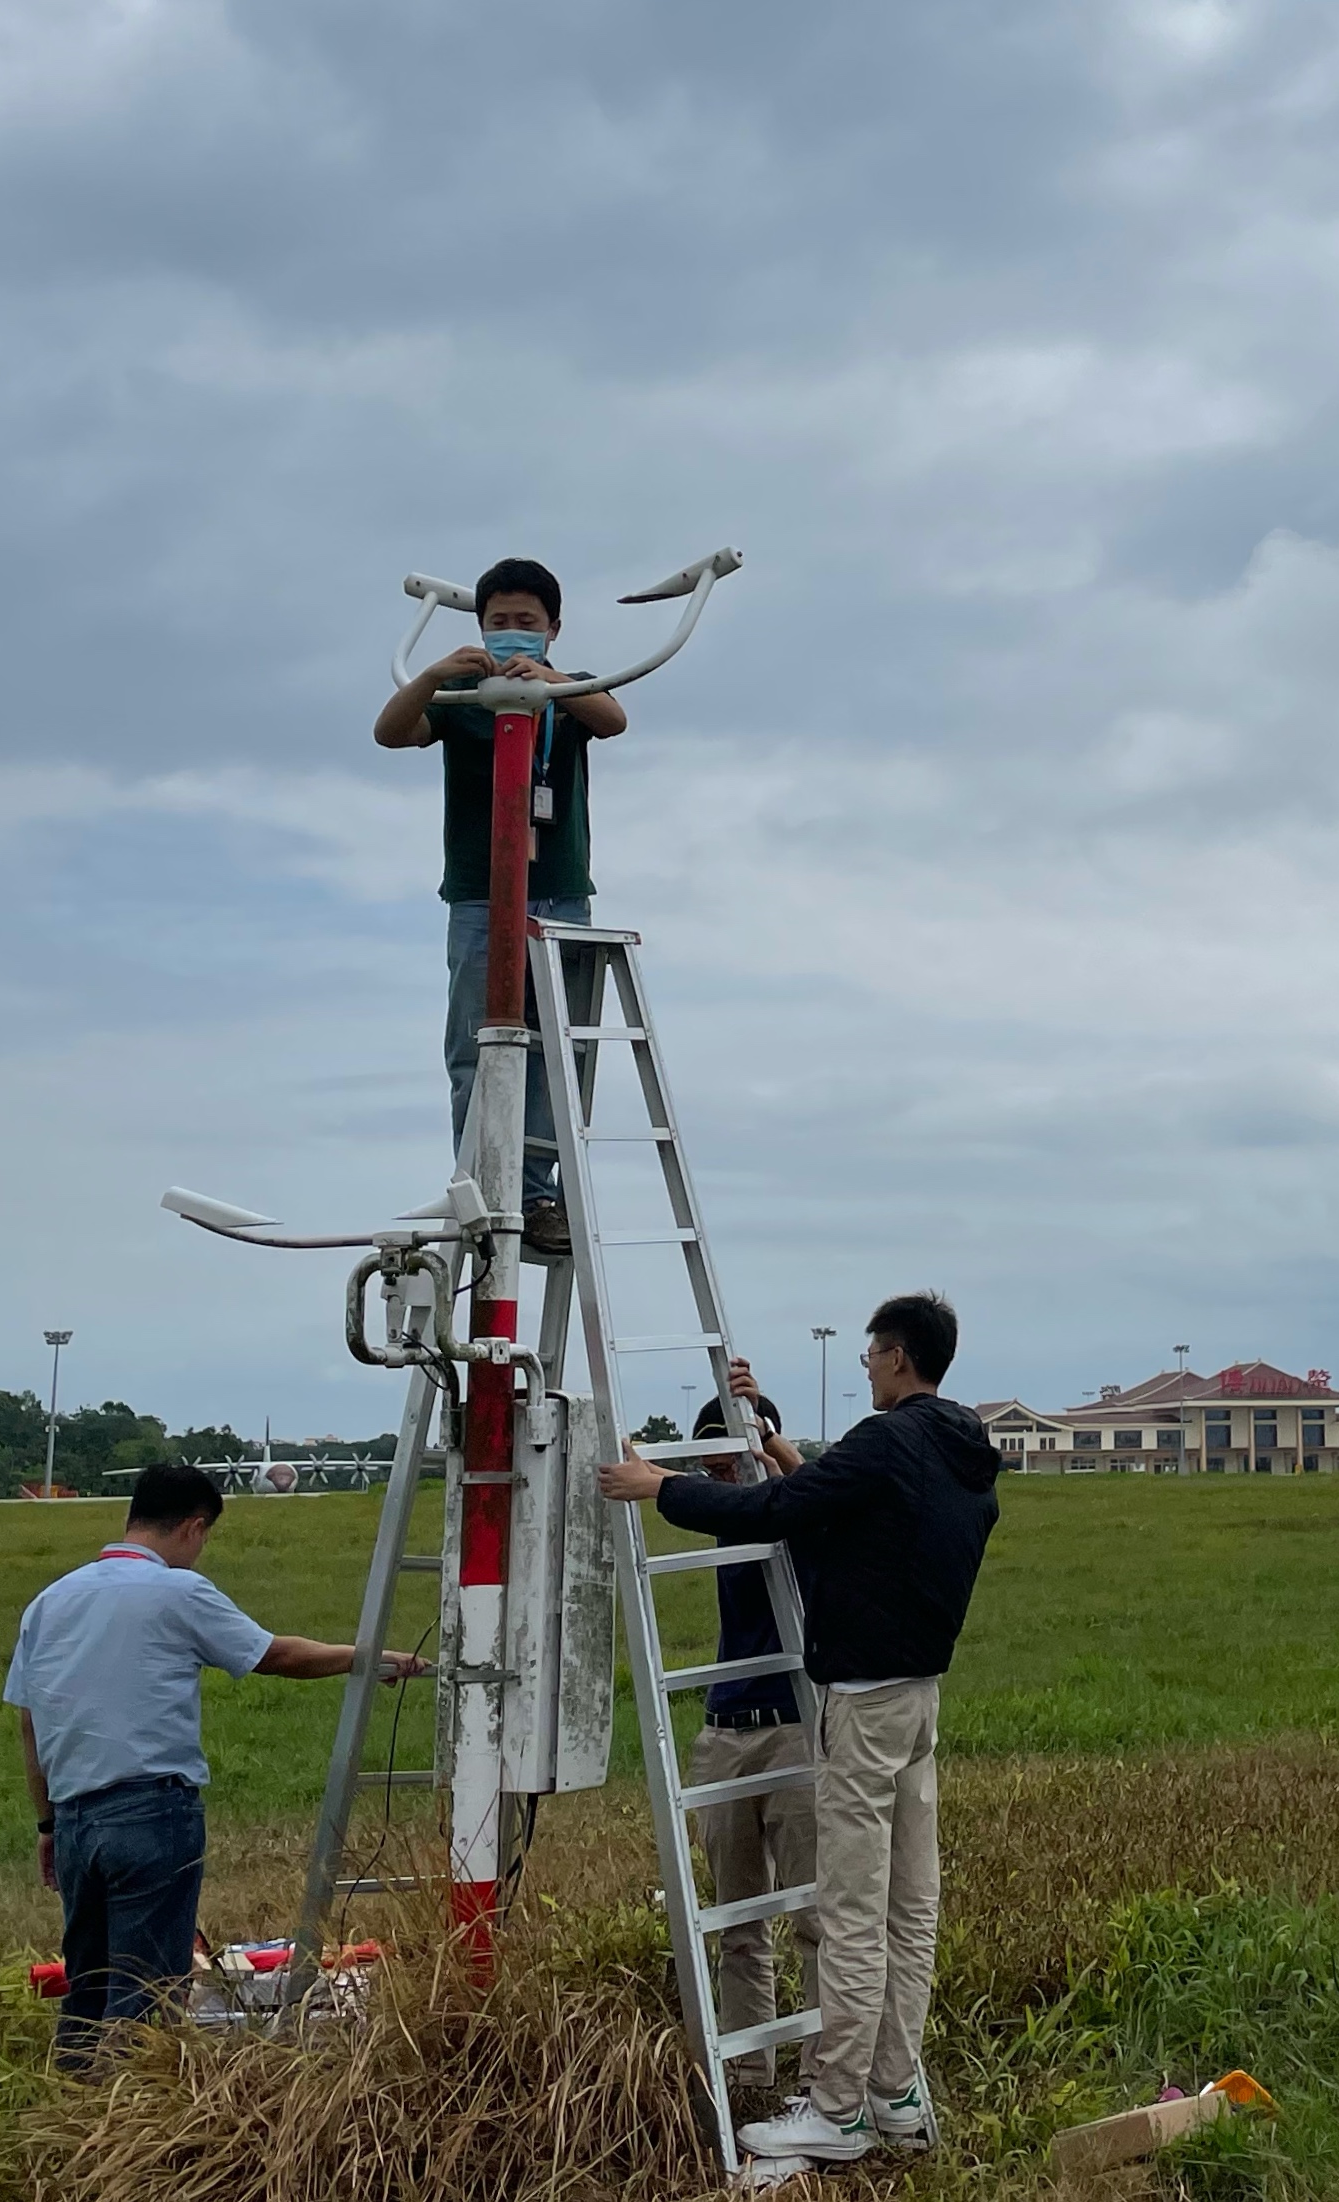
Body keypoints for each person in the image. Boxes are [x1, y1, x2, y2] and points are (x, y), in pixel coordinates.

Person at [600, 1294, 1000, 2162]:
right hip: (920, 1696)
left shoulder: (887, 1440)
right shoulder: (958, 1448)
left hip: (858, 1700)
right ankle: (893, 2093)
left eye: (868, 1358)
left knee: (850, 1911)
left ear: (895, 1357)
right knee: (908, 1906)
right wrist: (775, 1445)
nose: (864, 1370)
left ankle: (839, 2110)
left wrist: (659, 1485)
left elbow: (777, 1513)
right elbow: (832, 1499)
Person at [4, 1460, 429, 2065]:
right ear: (195, 1527)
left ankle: (70, 2111)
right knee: (146, 1994)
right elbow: (273, 1655)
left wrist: (47, 1825)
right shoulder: (176, 1591)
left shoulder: (49, 1602)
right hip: (152, 1813)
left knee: (88, 1989)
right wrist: (371, 1658)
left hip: (75, 1820)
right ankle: (130, 2128)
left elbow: (30, 1722)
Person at [372, 556, 631, 1258]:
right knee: (477, 1043)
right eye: (499, 624)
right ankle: (481, 1180)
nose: (513, 636)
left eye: (527, 624)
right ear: (479, 627)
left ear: (553, 628)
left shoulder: (569, 690)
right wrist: (432, 675)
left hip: (560, 893)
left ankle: (540, 1191)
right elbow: (390, 732)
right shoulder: (461, 695)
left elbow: (613, 719)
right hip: (480, 894)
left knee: (553, 1049)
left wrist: (549, 682)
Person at [685, 1367, 822, 2098]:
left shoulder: (800, 1510)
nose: (720, 1481)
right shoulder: (727, 1513)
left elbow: (813, 1500)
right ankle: (747, 2078)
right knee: (738, 1922)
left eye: (732, 1463)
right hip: (723, 1729)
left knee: (813, 1915)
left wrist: (770, 1441)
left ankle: (827, 2078)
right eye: (709, 1469)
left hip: (793, 1728)